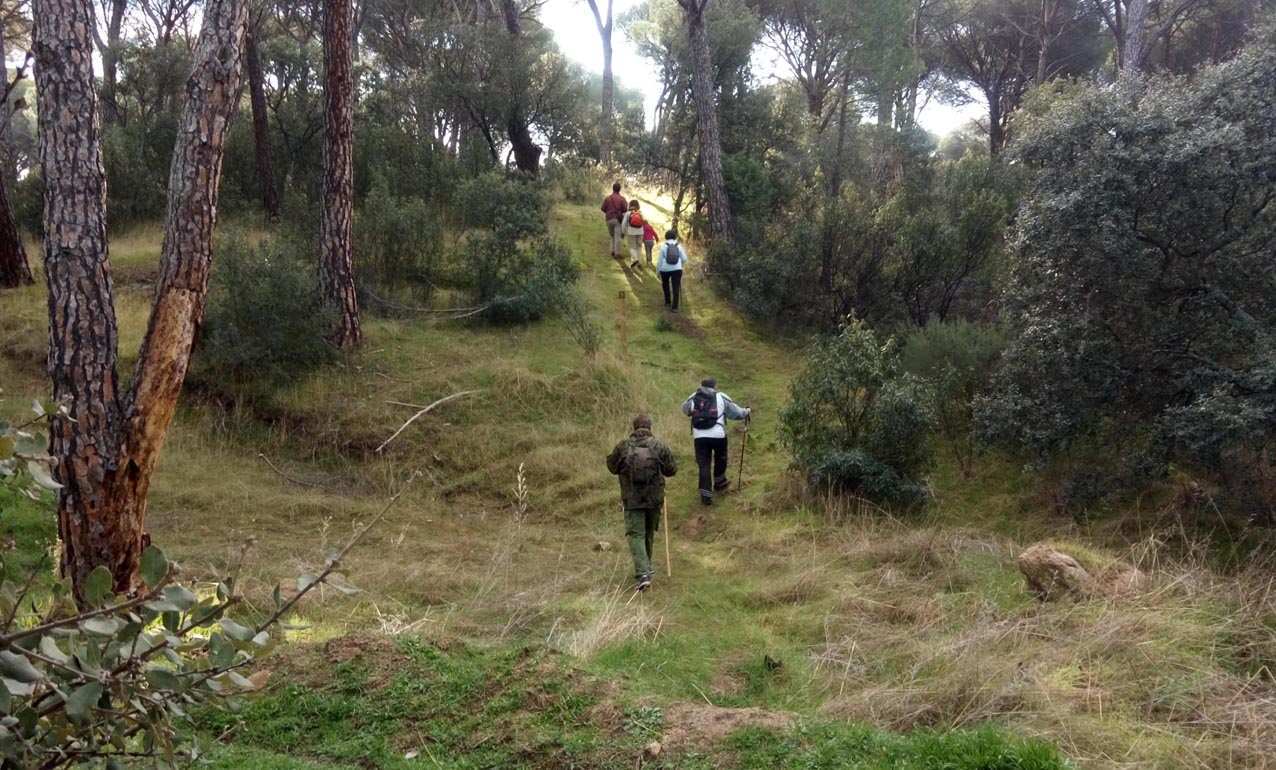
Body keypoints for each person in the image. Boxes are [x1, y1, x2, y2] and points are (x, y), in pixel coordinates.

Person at [606, 414, 677, 591]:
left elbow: (612, 467)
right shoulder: (659, 446)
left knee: (636, 534)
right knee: (648, 531)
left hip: (632, 498)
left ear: (634, 427)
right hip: (655, 498)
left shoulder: (623, 446)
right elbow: (671, 470)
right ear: (649, 428)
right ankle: (647, 564)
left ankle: (642, 573)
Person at [681, 378, 751, 506]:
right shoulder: (720, 396)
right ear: (715, 386)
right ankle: (720, 482)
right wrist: (746, 412)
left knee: (704, 465)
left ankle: (706, 496)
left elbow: (685, 410)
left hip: (699, 436)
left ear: (701, 386)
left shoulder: (694, 397)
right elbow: (735, 413)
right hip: (718, 435)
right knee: (721, 457)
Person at [656, 229, 687, 312]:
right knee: (676, 286)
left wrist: (657, 272)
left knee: (665, 285)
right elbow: (684, 259)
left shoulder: (663, 246)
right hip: (677, 269)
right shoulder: (679, 246)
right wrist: (680, 264)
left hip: (665, 269)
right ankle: (675, 307)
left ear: (666, 237)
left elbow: (659, 261)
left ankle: (667, 302)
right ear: (675, 237)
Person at [601, 182, 628, 258]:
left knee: (612, 236)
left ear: (612, 188)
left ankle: (612, 250)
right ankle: (617, 253)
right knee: (617, 236)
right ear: (620, 189)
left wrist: (608, 212)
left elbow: (603, 208)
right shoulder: (622, 199)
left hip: (609, 219)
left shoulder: (608, 198)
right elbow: (625, 209)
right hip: (617, 219)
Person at [624, 200, 647, 268]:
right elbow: (643, 223)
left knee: (631, 246)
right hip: (640, 232)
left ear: (630, 205)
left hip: (631, 232)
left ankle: (635, 259)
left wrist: (623, 231)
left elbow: (624, 223)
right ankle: (639, 262)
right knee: (639, 246)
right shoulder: (640, 213)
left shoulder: (628, 213)